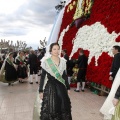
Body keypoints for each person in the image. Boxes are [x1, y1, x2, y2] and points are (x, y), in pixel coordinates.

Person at [33, 43, 72, 120]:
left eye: (58, 49)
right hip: (51, 87)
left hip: (61, 87)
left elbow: (64, 76)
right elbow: (43, 76)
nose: (56, 51)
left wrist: (68, 87)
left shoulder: (63, 61)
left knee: (63, 107)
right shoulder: (46, 61)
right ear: (50, 50)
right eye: (54, 49)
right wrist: (41, 90)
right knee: (52, 107)